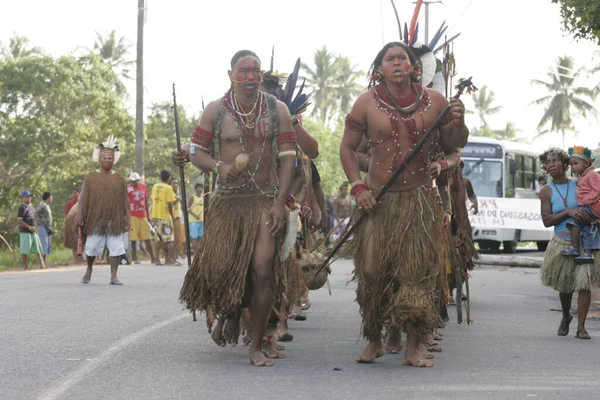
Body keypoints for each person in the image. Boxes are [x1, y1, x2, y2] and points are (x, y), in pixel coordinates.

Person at [340, 41, 467, 367]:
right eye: (390, 59)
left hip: (420, 201)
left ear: (413, 68)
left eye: (402, 59)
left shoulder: (436, 101)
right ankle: (374, 339)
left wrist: (458, 120)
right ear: (380, 68)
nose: (397, 63)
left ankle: (414, 347)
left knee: (417, 275)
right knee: (370, 272)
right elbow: (348, 150)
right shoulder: (365, 103)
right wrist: (358, 187)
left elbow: (454, 145)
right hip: (377, 202)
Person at [173, 49, 296, 367]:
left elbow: (288, 159)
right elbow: (195, 151)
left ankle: (255, 345)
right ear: (231, 75)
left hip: (263, 203)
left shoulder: (277, 109)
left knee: (262, 270)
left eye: (256, 70)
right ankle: (228, 312)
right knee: (225, 270)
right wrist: (218, 166)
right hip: (228, 203)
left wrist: (280, 204)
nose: (251, 76)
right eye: (243, 71)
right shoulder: (215, 111)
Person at [539, 147, 599, 340]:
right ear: (545, 169)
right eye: (548, 163)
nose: (551, 165)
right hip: (561, 241)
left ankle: (581, 327)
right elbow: (547, 221)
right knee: (565, 286)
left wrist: (588, 217)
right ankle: (566, 315)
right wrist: (567, 213)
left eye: (555, 161)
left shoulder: (579, 184)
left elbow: (593, 203)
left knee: (584, 284)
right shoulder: (545, 191)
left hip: (584, 240)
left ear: (565, 165)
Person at [75, 136, 130, 285]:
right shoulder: (91, 177)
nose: (107, 159)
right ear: (99, 159)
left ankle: (114, 276)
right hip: (96, 218)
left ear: (114, 160)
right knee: (92, 247)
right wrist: (80, 214)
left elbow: (125, 199)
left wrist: (128, 218)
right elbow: (83, 198)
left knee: (116, 247)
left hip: (115, 218)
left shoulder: (119, 178)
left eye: (110, 157)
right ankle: (89, 269)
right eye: (104, 157)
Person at [560, 146, 600, 263]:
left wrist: (587, 199)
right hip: (589, 206)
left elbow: (598, 188)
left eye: (575, 163)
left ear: (586, 163)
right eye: (571, 165)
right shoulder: (582, 176)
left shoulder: (591, 175)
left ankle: (575, 248)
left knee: (575, 221)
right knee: (587, 228)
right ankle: (587, 254)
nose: (573, 167)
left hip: (592, 206)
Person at [126, 172, 158, 264]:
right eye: (133, 181)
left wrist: (148, 215)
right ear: (131, 180)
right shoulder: (128, 188)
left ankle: (153, 257)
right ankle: (134, 258)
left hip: (142, 214)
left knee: (147, 236)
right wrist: (127, 216)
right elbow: (126, 202)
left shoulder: (143, 187)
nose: (135, 182)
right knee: (133, 238)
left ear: (139, 180)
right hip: (132, 215)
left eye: (136, 180)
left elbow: (145, 201)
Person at [150, 170, 178, 266]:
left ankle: (157, 259)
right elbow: (170, 203)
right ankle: (169, 259)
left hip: (155, 216)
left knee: (158, 239)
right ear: (169, 178)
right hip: (165, 216)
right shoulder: (168, 188)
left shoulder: (155, 186)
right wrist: (172, 215)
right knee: (169, 238)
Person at [17, 190, 39, 270]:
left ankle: (41, 264)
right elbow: (20, 220)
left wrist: (35, 227)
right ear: (23, 198)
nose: (28, 198)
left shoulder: (32, 206)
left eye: (29, 196)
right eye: (26, 197)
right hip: (25, 231)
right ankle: (25, 266)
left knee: (38, 247)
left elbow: (35, 217)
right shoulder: (21, 207)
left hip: (34, 230)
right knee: (25, 249)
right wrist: (29, 227)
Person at [169, 177, 185, 259]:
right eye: (173, 183)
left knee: (179, 235)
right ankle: (174, 254)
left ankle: (178, 253)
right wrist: (176, 200)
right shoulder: (169, 192)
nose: (175, 185)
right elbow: (170, 203)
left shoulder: (177, 192)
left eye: (176, 183)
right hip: (173, 216)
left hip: (178, 216)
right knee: (174, 236)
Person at [36, 191, 53, 261]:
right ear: (48, 197)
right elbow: (36, 212)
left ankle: (44, 262)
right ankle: (41, 263)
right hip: (42, 227)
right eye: (51, 197)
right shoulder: (42, 205)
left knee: (47, 245)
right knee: (43, 245)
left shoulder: (47, 206)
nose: (52, 199)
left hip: (47, 227)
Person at [188, 183, 205, 253]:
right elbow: (188, 209)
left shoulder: (202, 198)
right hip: (194, 221)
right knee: (194, 237)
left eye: (201, 188)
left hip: (201, 221)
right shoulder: (192, 197)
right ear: (196, 189)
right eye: (199, 188)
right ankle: (195, 252)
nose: (200, 190)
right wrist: (195, 215)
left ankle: (199, 252)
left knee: (200, 237)